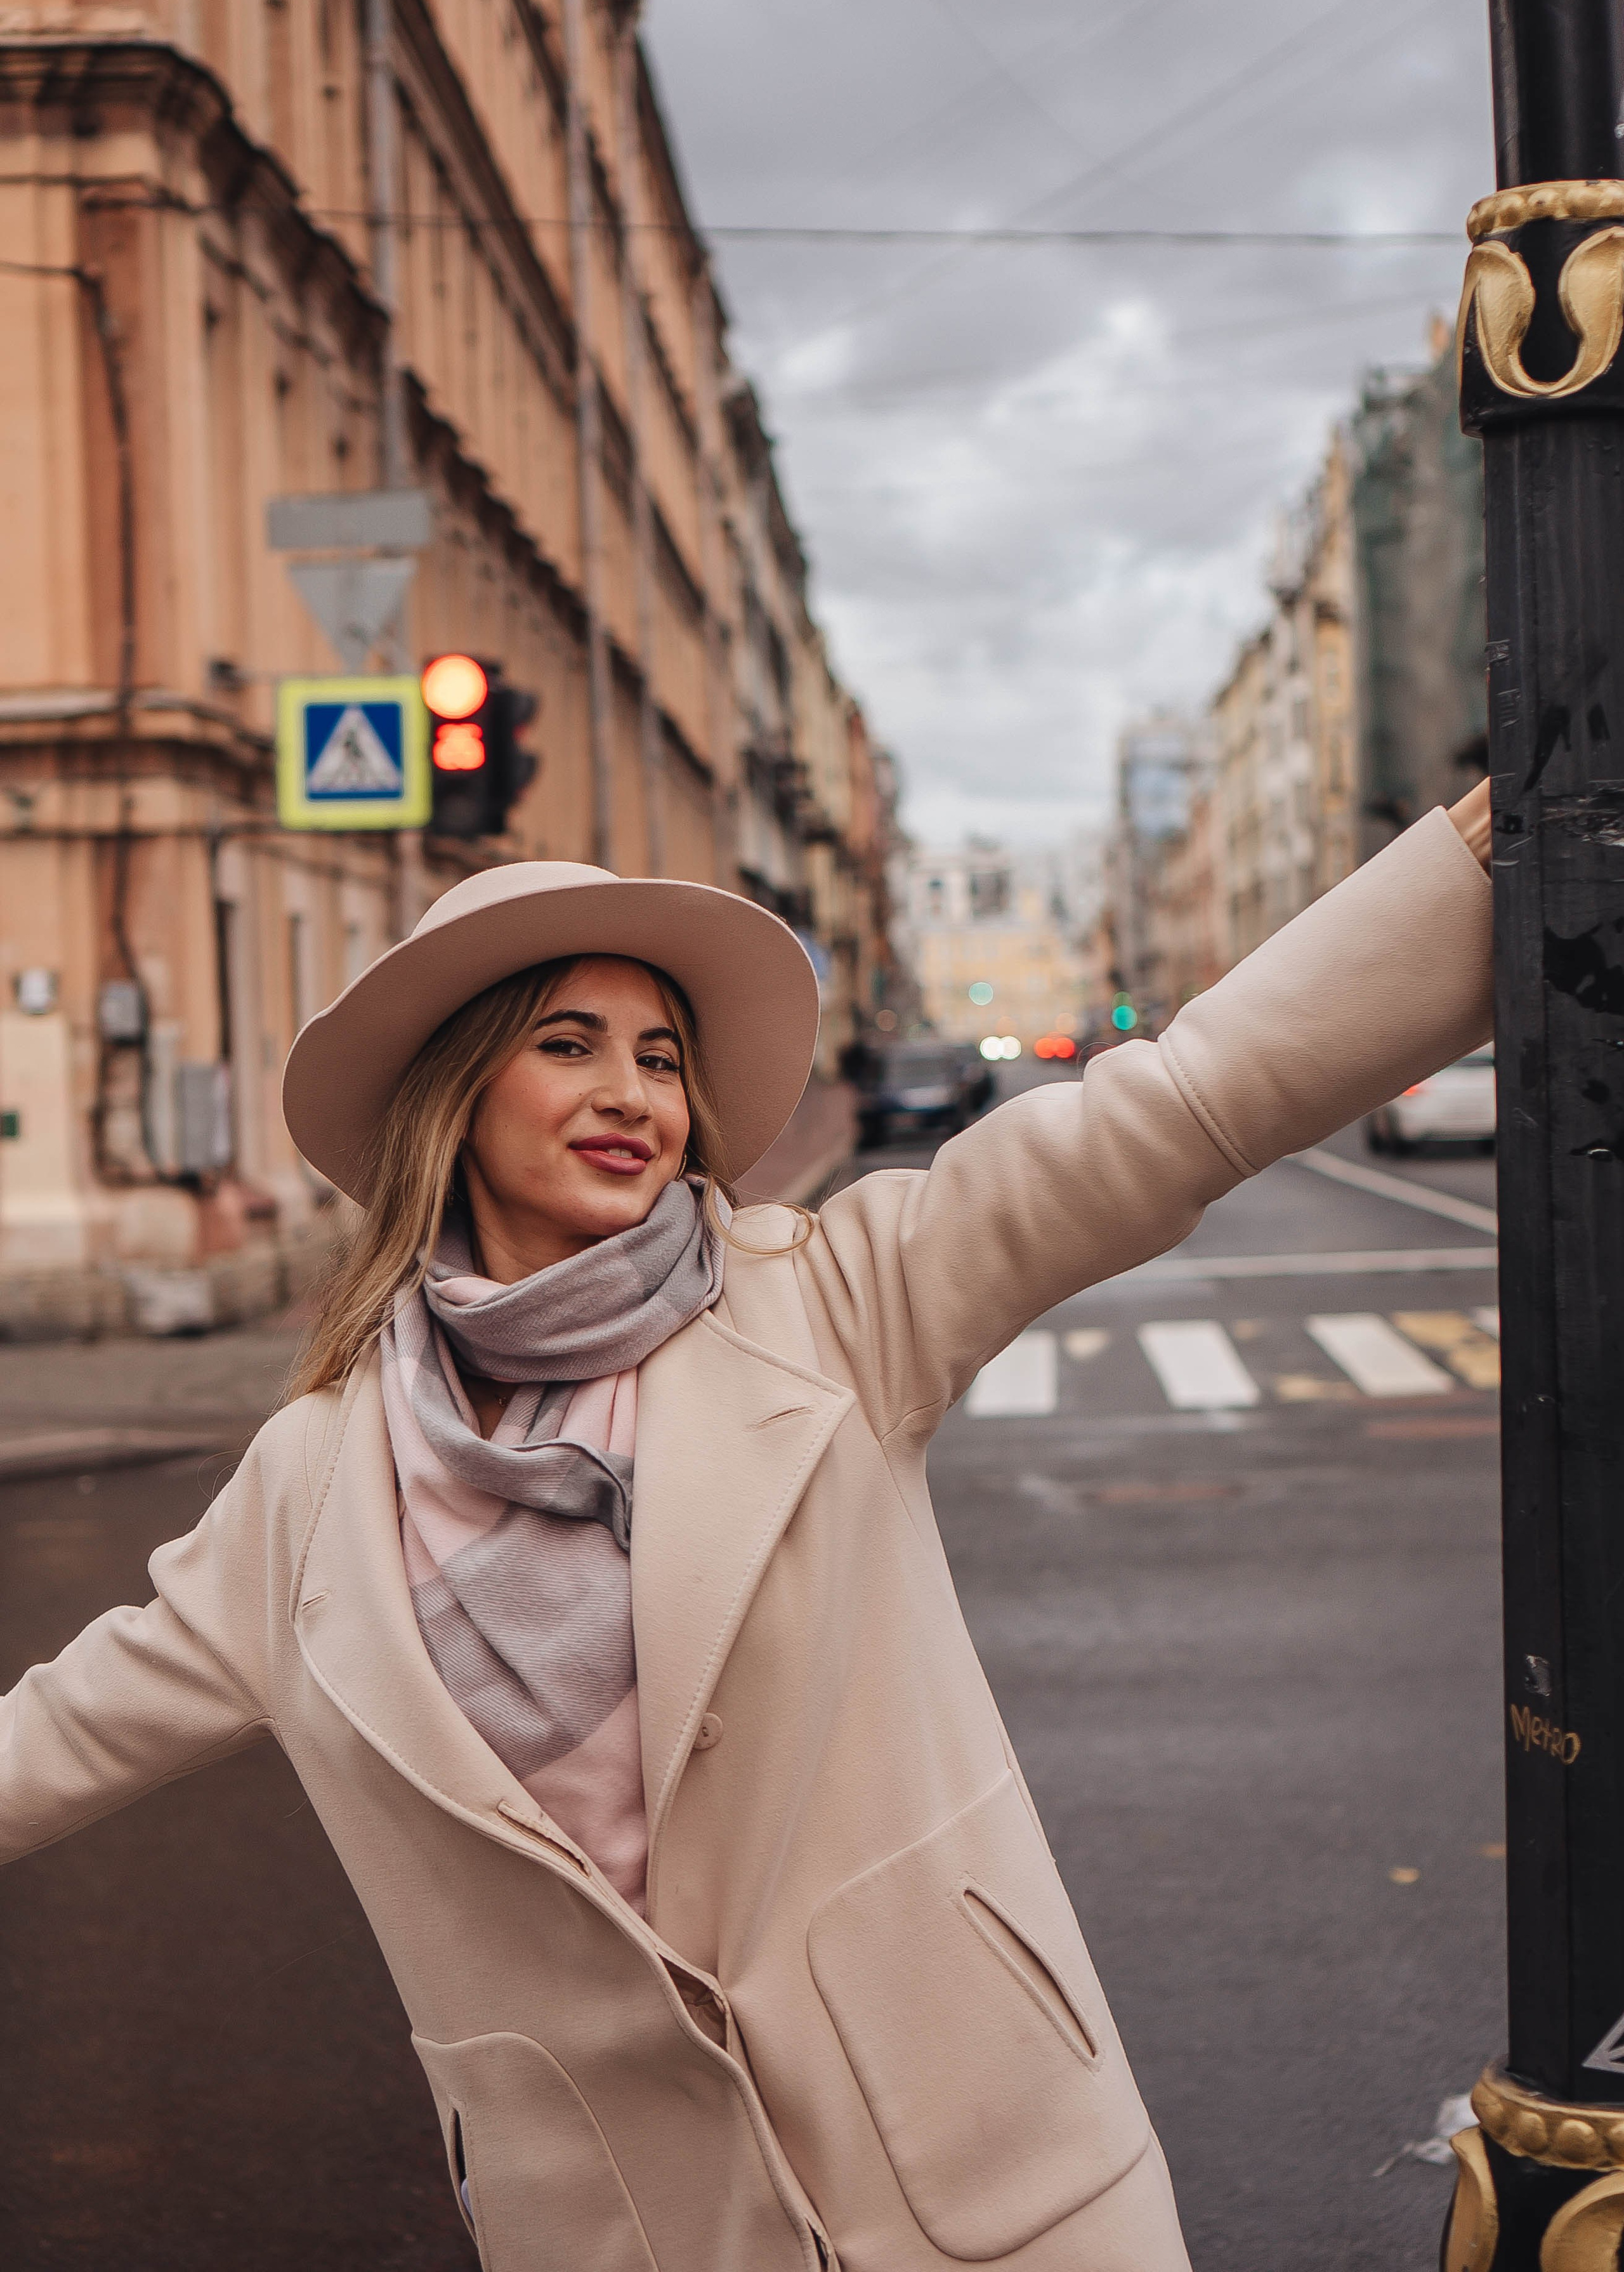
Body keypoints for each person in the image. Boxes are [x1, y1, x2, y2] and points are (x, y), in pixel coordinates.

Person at [0, 784, 1495, 2272]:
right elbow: (67, 1731)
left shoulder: (834, 1303)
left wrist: (1463, 876)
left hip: (980, 2162)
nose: (632, 1093)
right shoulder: (310, 1480)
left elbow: (1171, 1109)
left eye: (659, 1056)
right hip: (618, 2216)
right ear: (452, 1095)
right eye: (567, 1046)